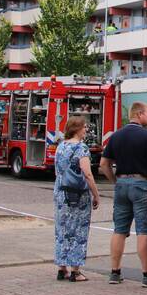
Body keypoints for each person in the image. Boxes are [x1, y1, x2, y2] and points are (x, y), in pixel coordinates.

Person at [99, 101, 147, 286]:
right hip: (142, 185)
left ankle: (115, 272)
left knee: (119, 229)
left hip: (121, 185)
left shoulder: (116, 136)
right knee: (143, 230)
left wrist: (115, 181)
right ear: (139, 114)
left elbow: (104, 164)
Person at [53, 116, 101, 282]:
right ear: (77, 129)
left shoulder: (60, 146)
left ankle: (62, 268)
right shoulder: (81, 148)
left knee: (62, 230)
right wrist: (95, 194)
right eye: (84, 127)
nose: (86, 130)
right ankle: (75, 270)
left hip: (61, 193)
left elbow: (57, 171)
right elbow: (87, 173)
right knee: (78, 230)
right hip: (78, 195)